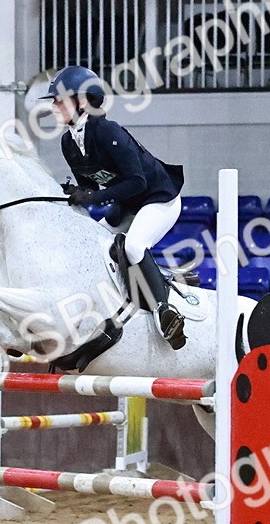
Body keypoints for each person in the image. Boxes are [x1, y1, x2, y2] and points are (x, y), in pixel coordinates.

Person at [42, 65, 187, 350]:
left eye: (60, 99)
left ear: (83, 101)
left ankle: (164, 311)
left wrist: (93, 199)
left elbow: (137, 182)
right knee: (90, 244)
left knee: (133, 246)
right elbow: (94, 187)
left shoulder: (108, 131)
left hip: (159, 199)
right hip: (127, 206)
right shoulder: (68, 143)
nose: (55, 106)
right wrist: (77, 193)